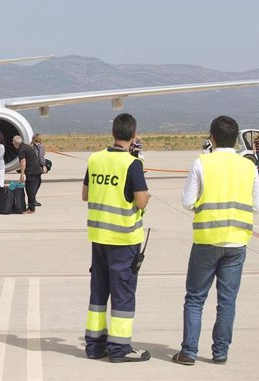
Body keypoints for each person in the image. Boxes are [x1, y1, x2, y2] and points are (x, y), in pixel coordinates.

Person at [171, 115, 259, 366]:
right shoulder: (248, 166)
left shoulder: (202, 162)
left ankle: (188, 352)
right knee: (227, 301)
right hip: (236, 242)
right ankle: (220, 352)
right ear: (235, 139)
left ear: (211, 137)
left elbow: (188, 201)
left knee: (195, 298)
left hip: (207, 240)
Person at [82, 113, 151, 363]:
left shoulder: (95, 159)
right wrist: (145, 199)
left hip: (99, 237)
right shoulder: (133, 164)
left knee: (99, 292)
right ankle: (120, 349)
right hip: (124, 239)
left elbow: (85, 194)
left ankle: (94, 345)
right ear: (133, 136)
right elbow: (141, 199)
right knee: (122, 294)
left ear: (113, 133)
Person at [13, 135, 43, 214]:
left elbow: (23, 161)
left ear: (15, 143)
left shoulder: (21, 149)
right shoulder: (27, 146)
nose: (13, 144)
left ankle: (31, 208)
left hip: (31, 172)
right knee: (32, 189)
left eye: (13, 143)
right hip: (37, 170)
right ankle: (32, 205)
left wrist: (22, 174)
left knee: (30, 190)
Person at [31, 133, 47, 206]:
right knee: (37, 182)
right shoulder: (40, 146)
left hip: (30, 166)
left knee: (32, 183)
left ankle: (32, 199)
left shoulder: (30, 146)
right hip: (37, 167)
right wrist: (44, 165)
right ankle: (33, 199)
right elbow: (41, 157)